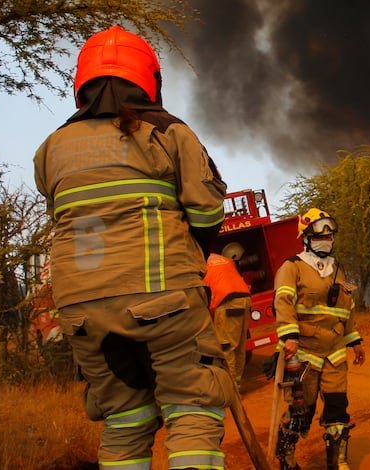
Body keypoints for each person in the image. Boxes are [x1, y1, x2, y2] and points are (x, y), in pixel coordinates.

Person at [34, 25, 235, 470]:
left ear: (81, 85)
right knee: (193, 404)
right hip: (164, 296)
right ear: (150, 80)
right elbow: (205, 213)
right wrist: (197, 257)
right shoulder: (166, 132)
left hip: (83, 312)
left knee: (126, 418)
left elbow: (61, 216)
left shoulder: (51, 148)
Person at [273, 208, 365, 470]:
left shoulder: (338, 269)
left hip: (334, 352)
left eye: (330, 235)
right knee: (301, 412)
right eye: (319, 235)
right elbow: (283, 302)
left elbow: (346, 309)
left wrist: (354, 341)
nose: (326, 239)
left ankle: (337, 462)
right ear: (306, 238)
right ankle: (287, 460)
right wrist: (289, 336)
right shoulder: (292, 268)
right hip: (303, 352)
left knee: (337, 409)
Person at [205, 242, 253, 385]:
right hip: (244, 298)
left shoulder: (198, 265)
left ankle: (231, 387)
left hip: (227, 301)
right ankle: (236, 383)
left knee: (226, 347)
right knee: (239, 346)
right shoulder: (223, 259)